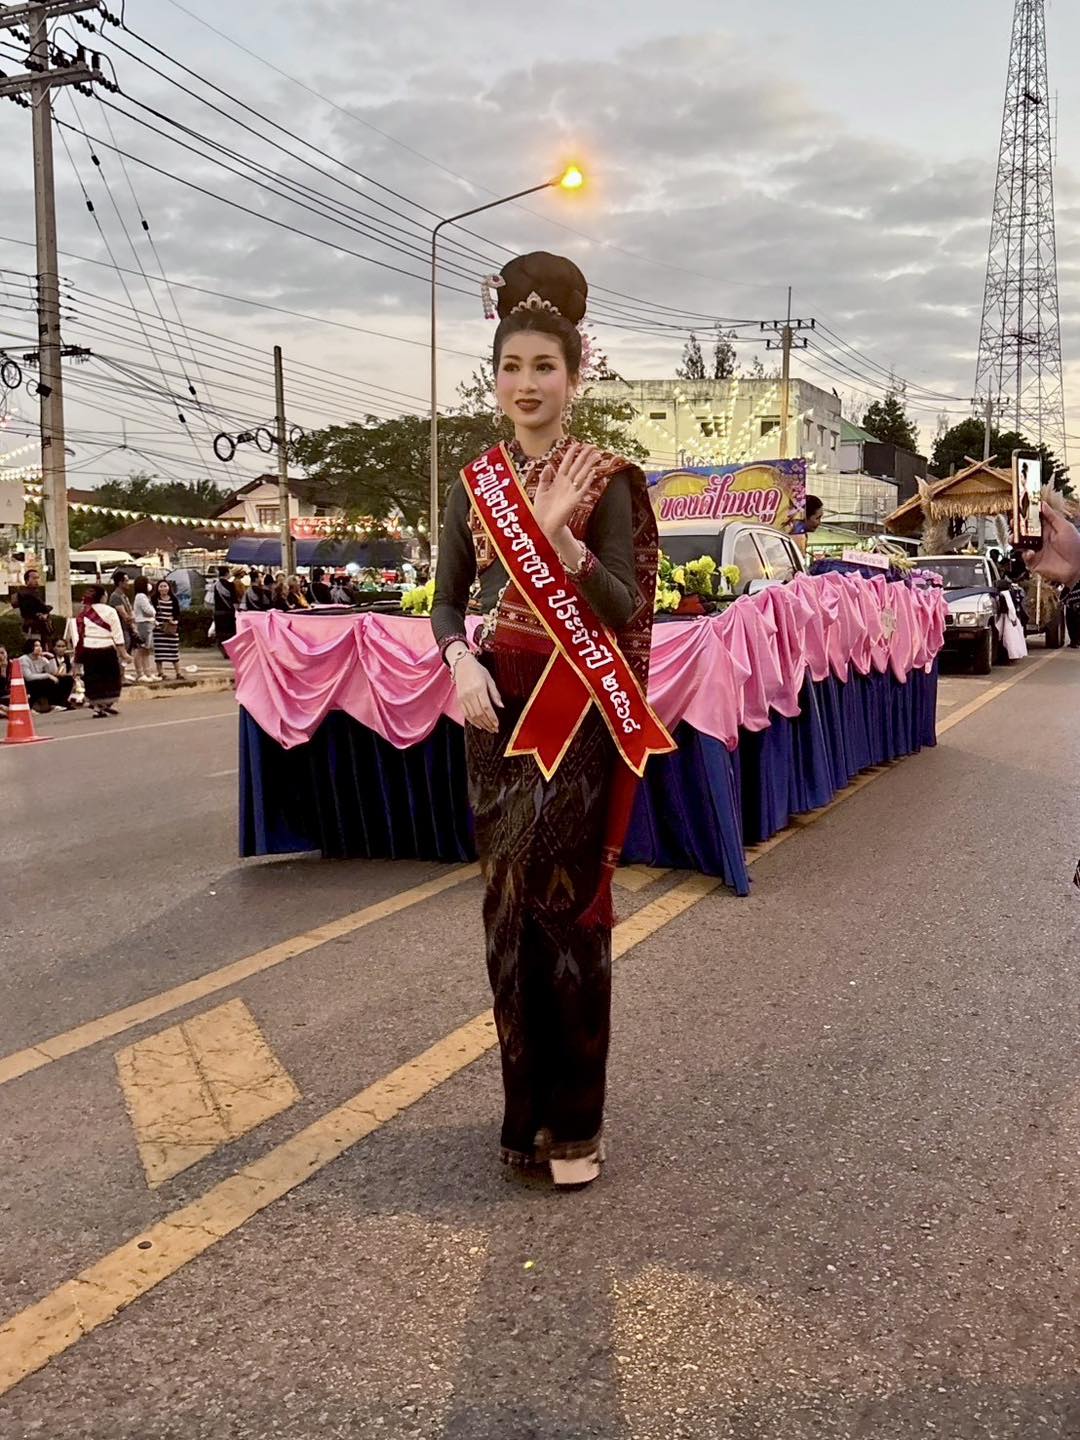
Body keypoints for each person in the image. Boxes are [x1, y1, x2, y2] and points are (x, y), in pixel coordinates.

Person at [431, 251, 667, 1188]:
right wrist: (457, 661)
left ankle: (576, 1126)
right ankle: (522, 1117)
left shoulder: (607, 477)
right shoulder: (474, 483)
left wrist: (562, 538)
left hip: (573, 714)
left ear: (575, 376)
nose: (526, 384)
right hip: (493, 712)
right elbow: (446, 601)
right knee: (505, 915)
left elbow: (624, 606)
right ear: (494, 378)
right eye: (510, 367)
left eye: (544, 367)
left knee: (567, 916)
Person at [76, 585, 125, 718]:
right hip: (106, 647)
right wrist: (123, 652)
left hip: (89, 648)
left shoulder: (84, 611)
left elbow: (80, 634)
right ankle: (104, 705)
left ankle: (98, 707)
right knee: (110, 677)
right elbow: (117, 633)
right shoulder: (110, 611)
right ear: (103, 596)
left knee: (94, 678)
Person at [19, 637, 77, 712]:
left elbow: (53, 672)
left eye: (40, 646)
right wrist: (47, 675)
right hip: (29, 684)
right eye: (36, 646)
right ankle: (52, 704)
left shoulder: (42, 659)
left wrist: (51, 657)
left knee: (67, 679)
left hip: (41, 682)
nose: (39, 648)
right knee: (48, 681)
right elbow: (28, 677)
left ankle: (61, 703)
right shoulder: (24, 659)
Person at [152, 578, 182, 680]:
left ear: (169, 587)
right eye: (161, 586)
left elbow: (177, 614)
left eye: (165, 586)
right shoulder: (154, 599)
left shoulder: (174, 599)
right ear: (157, 588)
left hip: (171, 629)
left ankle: (178, 673)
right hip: (158, 629)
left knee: (174, 652)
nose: (163, 588)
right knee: (159, 653)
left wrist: (174, 620)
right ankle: (160, 673)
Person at [15, 567, 53, 648]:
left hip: (40, 627)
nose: (36, 580)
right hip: (32, 627)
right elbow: (42, 607)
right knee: (35, 647)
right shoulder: (25, 594)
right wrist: (46, 610)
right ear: (27, 580)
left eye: (37, 578)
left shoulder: (36, 592)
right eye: (34, 578)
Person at [130, 577, 159, 681]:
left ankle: (148, 672)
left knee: (146, 650)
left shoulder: (144, 596)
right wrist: (154, 612)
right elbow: (149, 611)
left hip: (147, 623)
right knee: (141, 649)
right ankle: (140, 673)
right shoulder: (141, 596)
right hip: (143, 624)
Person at [211, 566, 239, 653]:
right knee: (230, 633)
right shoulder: (231, 585)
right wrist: (237, 611)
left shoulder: (215, 585)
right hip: (229, 612)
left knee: (220, 633)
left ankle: (223, 650)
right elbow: (234, 601)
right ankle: (230, 650)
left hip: (218, 612)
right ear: (227, 573)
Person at [0, 645, 10, 721]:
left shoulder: (12, 664)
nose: (1, 656)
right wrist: (3, 670)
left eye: (2, 653)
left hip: (6, 694)